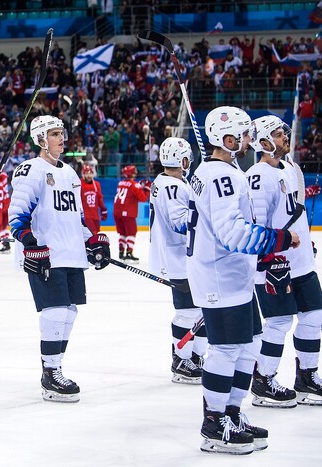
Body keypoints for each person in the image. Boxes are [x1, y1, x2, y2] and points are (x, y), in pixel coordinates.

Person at [187, 106, 300, 455]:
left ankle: (232, 412)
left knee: (250, 342)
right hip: (220, 274)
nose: (251, 139)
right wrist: (277, 240)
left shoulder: (219, 171)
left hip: (236, 274)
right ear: (229, 139)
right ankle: (214, 422)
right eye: (245, 134)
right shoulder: (222, 176)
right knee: (225, 350)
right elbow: (230, 233)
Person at [8, 115, 111, 403]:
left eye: (61, 133)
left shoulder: (71, 174)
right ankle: (50, 373)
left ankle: (54, 367)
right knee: (54, 312)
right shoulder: (29, 170)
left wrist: (91, 240)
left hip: (72, 253)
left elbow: (75, 219)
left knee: (69, 312)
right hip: (46, 254)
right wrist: (31, 245)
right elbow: (16, 217)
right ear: (41, 139)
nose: (61, 138)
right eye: (54, 134)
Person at [246, 115, 322, 408]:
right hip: (275, 265)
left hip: (301, 262)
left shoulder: (290, 167)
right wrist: (268, 262)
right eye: (278, 134)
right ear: (263, 142)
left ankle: (307, 377)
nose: (284, 138)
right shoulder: (256, 176)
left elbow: (295, 212)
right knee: (278, 323)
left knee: (314, 316)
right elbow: (257, 224)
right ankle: (264, 380)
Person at [148, 137, 205, 384]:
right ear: (182, 160)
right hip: (179, 259)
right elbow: (181, 223)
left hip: (181, 258)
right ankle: (182, 359)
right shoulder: (174, 187)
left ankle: (194, 356)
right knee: (187, 312)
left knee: (200, 310)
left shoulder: (167, 183)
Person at [113, 164, 150, 262]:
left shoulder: (121, 183)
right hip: (128, 212)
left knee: (122, 233)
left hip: (117, 212)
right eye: (135, 172)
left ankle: (121, 253)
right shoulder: (135, 185)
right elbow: (143, 198)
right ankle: (129, 253)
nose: (136, 174)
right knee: (131, 233)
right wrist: (146, 189)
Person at [79, 164, 107, 234]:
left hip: (95, 215)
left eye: (90, 173)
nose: (88, 175)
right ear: (83, 174)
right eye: (86, 173)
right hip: (85, 216)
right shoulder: (79, 183)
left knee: (96, 233)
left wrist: (103, 210)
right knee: (91, 234)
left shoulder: (96, 184)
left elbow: (99, 198)